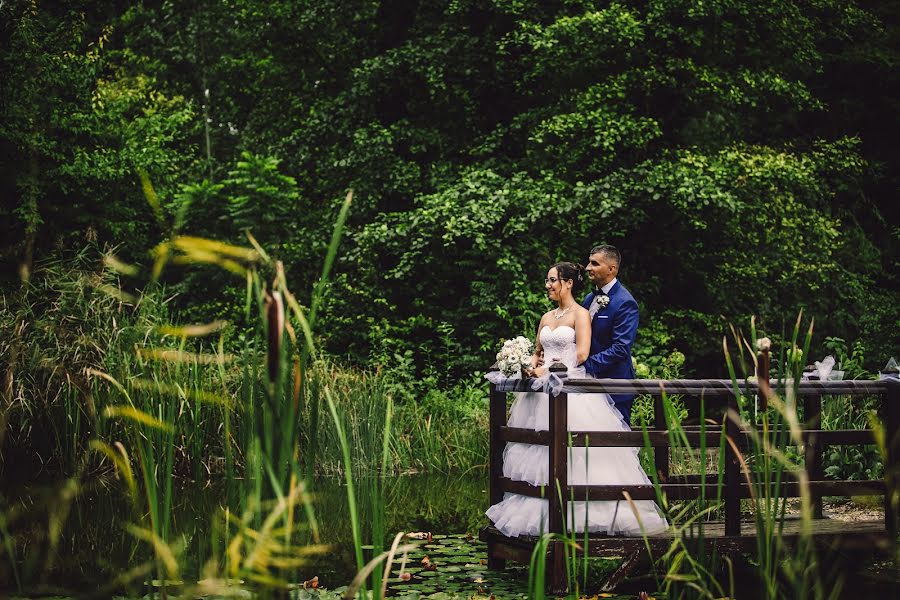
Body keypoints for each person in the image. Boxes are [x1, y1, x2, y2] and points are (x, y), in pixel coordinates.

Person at [485, 262, 667, 538]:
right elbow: (538, 350)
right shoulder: (547, 317)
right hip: (541, 394)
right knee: (537, 451)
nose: (548, 286)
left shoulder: (581, 314)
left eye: (552, 280)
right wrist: (528, 365)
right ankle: (538, 513)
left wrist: (546, 370)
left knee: (579, 452)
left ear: (568, 283)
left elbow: (581, 354)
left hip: (570, 388)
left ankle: (585, 515)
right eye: (547, 281)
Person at [581, 245, 639, 426]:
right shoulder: (588, 299)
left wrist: (586, 365)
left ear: (611, 269)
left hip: (615, 384)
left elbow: (621, 348)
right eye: (589, 263)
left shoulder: (625, 302)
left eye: (594, 264)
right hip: (588, 385)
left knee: (617, 440)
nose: (588, 268)